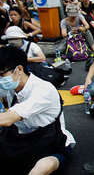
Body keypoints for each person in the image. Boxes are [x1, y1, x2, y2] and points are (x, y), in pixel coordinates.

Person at [0, 46, 75, 174]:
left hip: (52, 144)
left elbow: (8, 119)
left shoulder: (43, 90)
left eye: (2, 74)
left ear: (19, 69)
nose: (0, 79)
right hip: (23, 139)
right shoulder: (12, 86)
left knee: (42, 167)